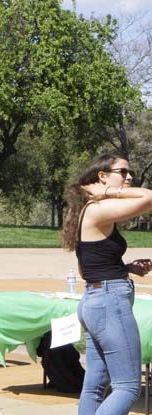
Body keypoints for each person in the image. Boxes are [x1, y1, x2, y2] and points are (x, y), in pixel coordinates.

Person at [60, 153, 152, 414]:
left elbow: (86, 268)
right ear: (102, 176)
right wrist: (108, 192)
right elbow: (148, 197)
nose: (129, 177)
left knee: (95, 387)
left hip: (95, 300)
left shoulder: (85, 211)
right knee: (127, 387)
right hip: (109, 303)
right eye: (122, 172)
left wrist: (125, 268)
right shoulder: (98, 208)